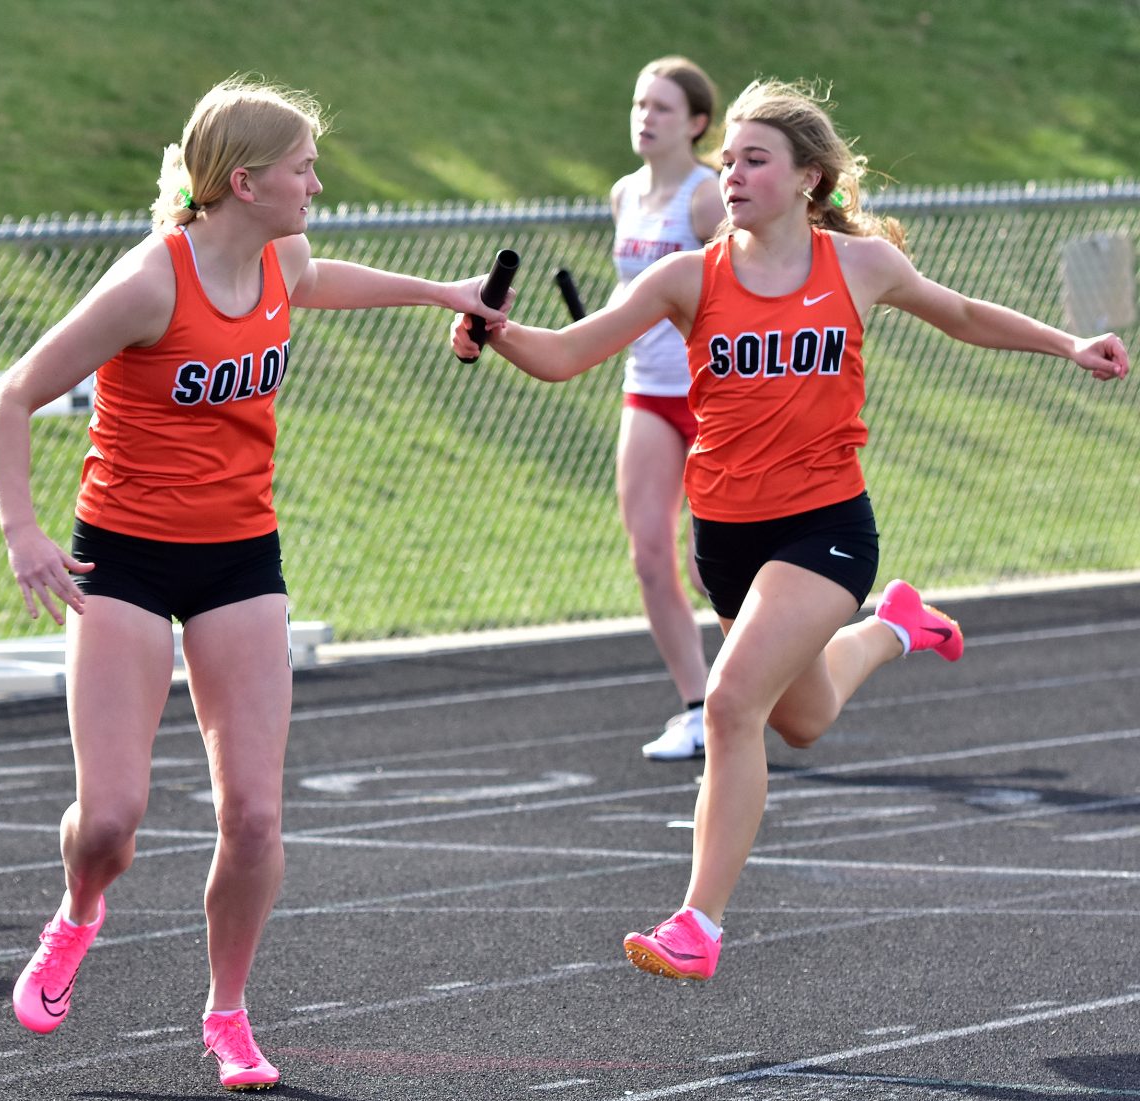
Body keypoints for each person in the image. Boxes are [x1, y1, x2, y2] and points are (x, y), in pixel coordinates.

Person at [452, 77, 1129, 982]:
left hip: (823, 529)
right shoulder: (689, 276)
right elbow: (567, 355)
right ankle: (896, 626)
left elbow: (962, 315)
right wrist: (491, 331)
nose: (731, 173)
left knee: (730, 706)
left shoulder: (859, 267)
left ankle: (698, 923)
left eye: (753, 159)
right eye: (726, 158)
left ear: (808, 179)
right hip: (726, 540)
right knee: (801, 720)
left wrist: (1070, 345)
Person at [0, 76, 507, 1089]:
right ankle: (79, 911)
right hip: (124, 559)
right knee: (108, 822)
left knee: (257, 817)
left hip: (238, 558)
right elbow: (13, 397)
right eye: (305, 168)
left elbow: (320, 279)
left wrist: (446, 294)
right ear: (245, 180)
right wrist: (23, 533)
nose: (318, 183)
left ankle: (228, 1012)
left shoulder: (280, 254)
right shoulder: (149, 283)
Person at [610, 57, 727, 763]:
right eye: (639, 102)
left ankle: (754, 687)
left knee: (710, 566)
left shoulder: (708, 198)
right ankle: (696, 705)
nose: (645, 117)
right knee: (650, 554)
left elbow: (734, 294)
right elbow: (632, 301)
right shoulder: (624, 194)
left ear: (695, 123)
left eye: (661, 106)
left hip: (710, 397)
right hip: (646, 392)